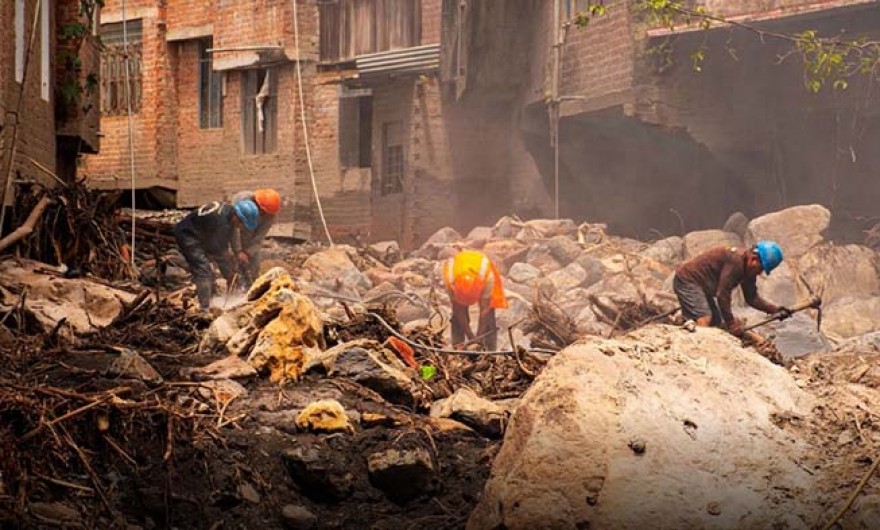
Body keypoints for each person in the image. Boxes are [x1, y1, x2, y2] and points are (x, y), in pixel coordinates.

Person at [673, 240, 792, 337]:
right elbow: (722, 294)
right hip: (687, 281)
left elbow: (752, 298)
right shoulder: (736, 262)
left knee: (715, 321)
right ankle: (695, 347)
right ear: (754, 260)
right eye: (760, 269)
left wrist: (774, 310)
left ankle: (686, 325)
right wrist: (731, 324)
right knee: (705, 318)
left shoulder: (748, 270)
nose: (759, 273)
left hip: (702, 287)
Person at [173, 199, 260, 311]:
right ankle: (204, 309)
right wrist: (230, 274)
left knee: (212, 268)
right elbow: (219, 254)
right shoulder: (221, 223)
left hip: (201, 232)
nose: (240, 227)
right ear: (237, 216)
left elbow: (231, 235)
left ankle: (211, 296)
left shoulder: (229, 212)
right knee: (203, 270)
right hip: (187, 235)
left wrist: (237, 253)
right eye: (241, 223)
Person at [440, 249, 508, 350]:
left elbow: (484, 310)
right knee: (456, 316)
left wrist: (478, 338)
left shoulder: (487, 277)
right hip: (459, 271)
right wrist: (471, 336)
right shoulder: (450, 280)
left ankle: (490, 349)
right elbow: (459, 310)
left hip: (483, 273)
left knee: (489, 315)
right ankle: (458, 346)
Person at [230, 189, 281, 284]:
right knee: (233, 266)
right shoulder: (242, 200)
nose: (263, 214)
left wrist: (248, 253)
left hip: (250, 239)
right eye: (262, 211)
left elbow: (260, 237)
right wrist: (238, 250)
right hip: (237, 236)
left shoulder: (270, 215)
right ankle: (233, 287)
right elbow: (233, 228)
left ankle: (251, 288)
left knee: (254, 268)